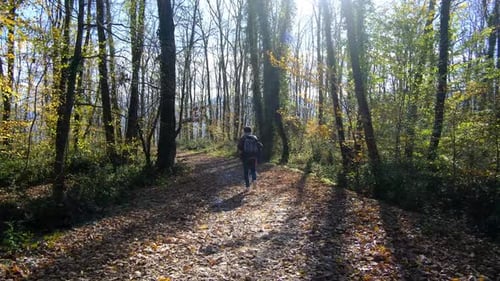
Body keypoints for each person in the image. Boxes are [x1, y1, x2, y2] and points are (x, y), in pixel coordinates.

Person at [237, 126, 263, 192]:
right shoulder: (254, 138)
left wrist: (240, 156)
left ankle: (247, 187)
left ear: (244, 131)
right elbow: (260, 146)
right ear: (250, 131)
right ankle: (254, 180)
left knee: (246, 172)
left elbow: (239, 148)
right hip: (254, 157)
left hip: (245, 157)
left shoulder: (243, 138)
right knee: (253, 170)